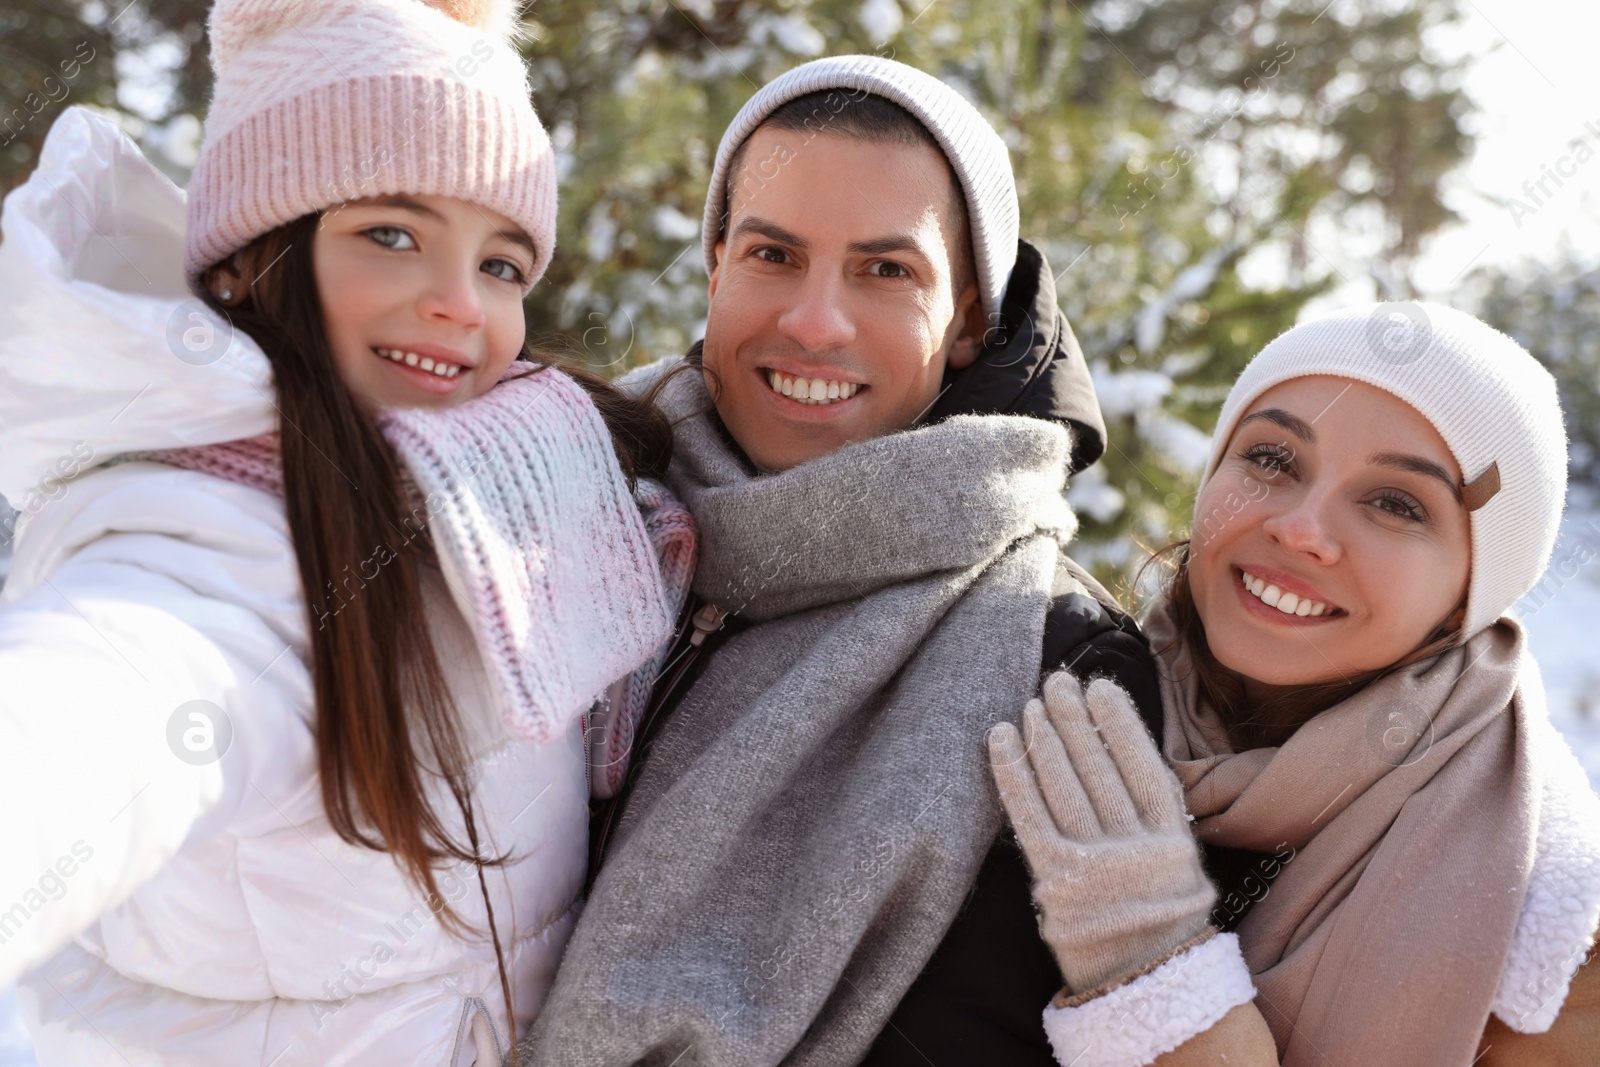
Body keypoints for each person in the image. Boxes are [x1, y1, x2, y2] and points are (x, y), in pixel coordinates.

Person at [518, 55, 1247, 1066]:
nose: (815, 322)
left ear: (969, 321)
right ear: (717, 263)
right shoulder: (552, 510)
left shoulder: (1060, 669)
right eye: (774, 254)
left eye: (885, 270)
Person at [0, 1, 692, 1063]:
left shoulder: (482, 488)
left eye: (503, 263)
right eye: (393, 234)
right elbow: (86, 718)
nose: (462, 304)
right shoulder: (213, 551)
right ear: (248, 257)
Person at [994, 303, 1600, 1066]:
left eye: (1395, 503)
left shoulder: (1556, 934)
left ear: (1468, 596)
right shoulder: (1049, 695)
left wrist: (1151, 969)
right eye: (1273, 460)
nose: (1301, 528)